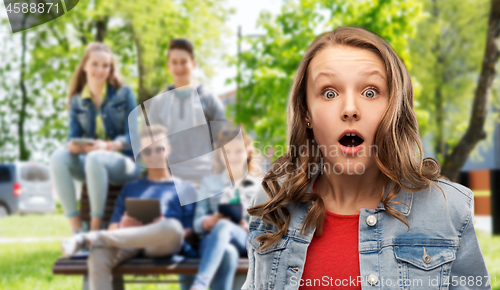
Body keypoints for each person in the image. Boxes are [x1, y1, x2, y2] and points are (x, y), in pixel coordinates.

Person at [242, 26, 491, 290]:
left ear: (393, 107)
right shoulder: (271, 203)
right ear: (307, 114)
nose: (350, 109)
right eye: (329, 93)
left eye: (370, 92)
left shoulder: (448, 208)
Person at [61, 124, 197, 290]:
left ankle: (89, 238)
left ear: (168, 149)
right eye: (147, 151)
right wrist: (122, 225)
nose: (153, 156)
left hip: (163, 242)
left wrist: (159, 227)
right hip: (129, 242)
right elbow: (113, 228)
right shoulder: (130, 188)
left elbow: (189, 231)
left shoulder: (185, 188)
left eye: (158, 149)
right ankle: (93, 240)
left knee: (173, 227)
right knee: (99, 252)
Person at [50, 42, 142, 233]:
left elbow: (134, 137)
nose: (100, 70)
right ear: (84, 66)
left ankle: (95, 227)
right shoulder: (77, 99)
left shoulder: (124, 93)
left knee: (95, 157)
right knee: (58, 157)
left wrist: (108, 146)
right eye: (95, 64)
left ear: (110, 69)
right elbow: (72, 137)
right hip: (93, 163)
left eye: (105, 66)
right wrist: (74, 146)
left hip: (125, 163)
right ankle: (78, 229)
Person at [187, 126, 262, 290]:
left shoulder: (260, 186)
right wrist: (208, 221)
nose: (232, 156)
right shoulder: (209, 183)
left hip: (245, 240)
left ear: (248, 151)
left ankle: (200, 284)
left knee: (225, 225)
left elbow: (268, 227)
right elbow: (198, 223)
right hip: (212, 240)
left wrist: (248, 228)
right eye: (227, 151)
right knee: (228, 253)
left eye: (238, 151)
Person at [163, 38, 227, 188]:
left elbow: (223, 142)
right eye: (174, 62)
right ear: (168, 66)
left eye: (183, 61)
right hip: (171, 183)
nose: (179, 67)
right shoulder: (160, 104)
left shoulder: (209, 100)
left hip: (203, 180)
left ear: (193, 63)